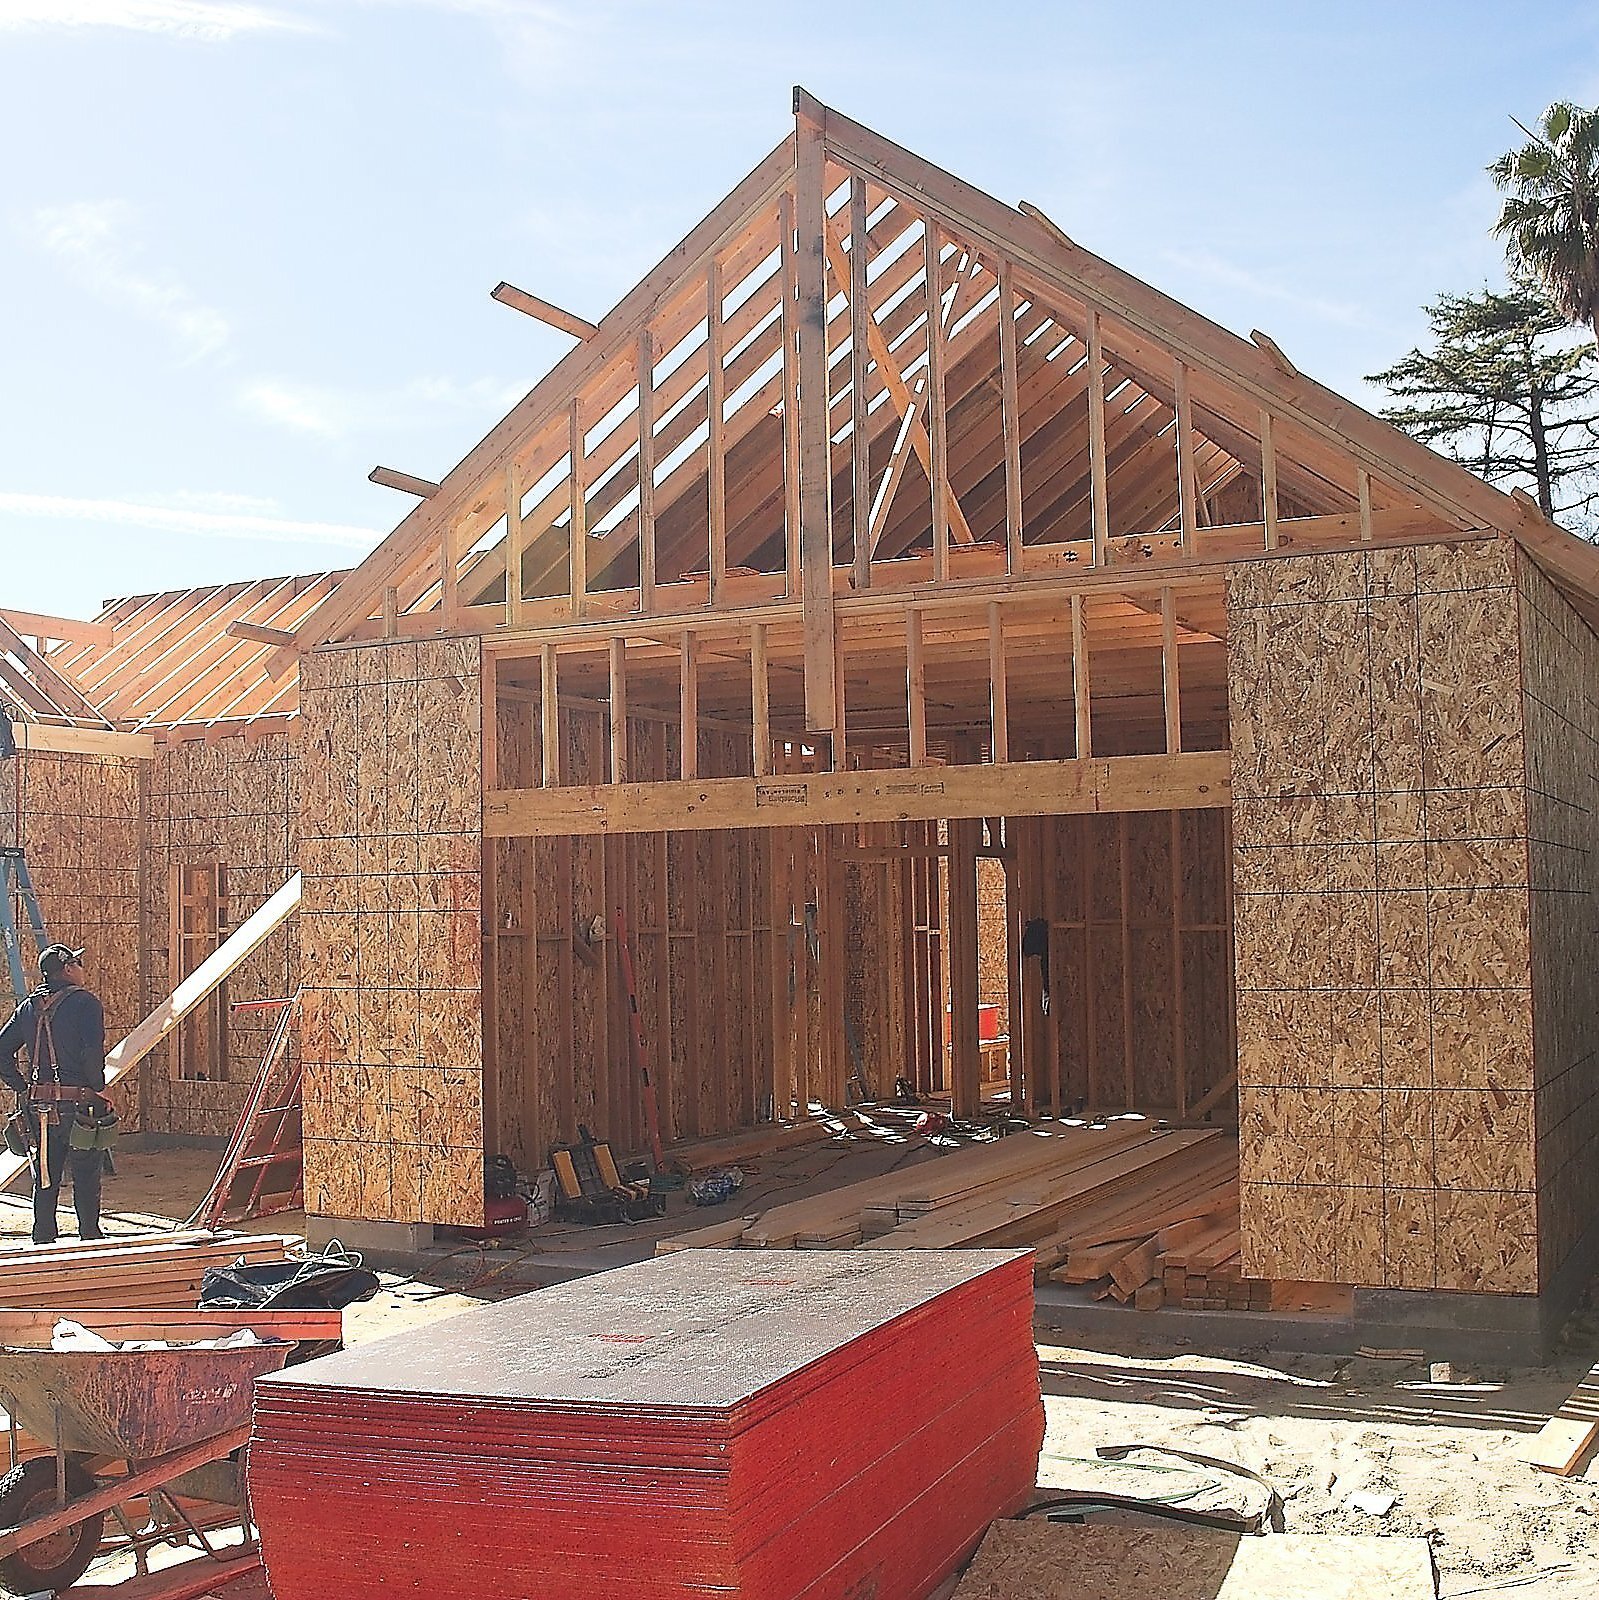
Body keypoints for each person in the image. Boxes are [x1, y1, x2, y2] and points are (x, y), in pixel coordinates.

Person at [0, 944, 107, 1244]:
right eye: (78, 963)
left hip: (39, 1108)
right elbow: (91, 1053)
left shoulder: (28, 1008)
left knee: (44, 1177)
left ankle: (44, 1241)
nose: (82, 969)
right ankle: (90, 1239)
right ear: (69, 969)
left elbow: (1, 1050)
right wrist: (99, 1089)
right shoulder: (86, 1004)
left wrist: (22, 1087)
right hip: (78, 1105)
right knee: (86, 1177)